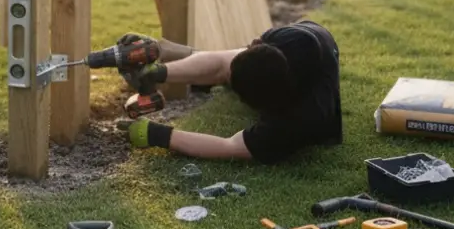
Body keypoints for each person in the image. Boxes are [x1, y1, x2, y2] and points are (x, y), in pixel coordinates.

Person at [117, 18, 343, 163]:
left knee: (225, 67)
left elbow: (229, 146)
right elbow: (221, 63)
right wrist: (156, 74)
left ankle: (174, 53)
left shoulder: (292, 125)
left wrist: (157, 134)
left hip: (317, 78)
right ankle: (164, 53)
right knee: (226, 61)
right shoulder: (294, 40)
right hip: (315, 33)